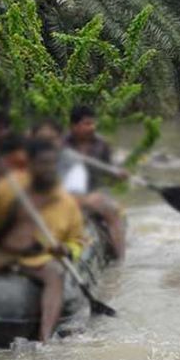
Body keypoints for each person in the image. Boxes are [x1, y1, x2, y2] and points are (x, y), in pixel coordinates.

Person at [0, 139, 85, 342]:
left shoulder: (65, 202)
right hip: (2, 252)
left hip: (38, 258)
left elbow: (78, 240)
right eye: (42, 163)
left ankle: (45, 338)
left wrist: (67, 250)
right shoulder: (10, 185)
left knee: (55, 273)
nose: (48, 169)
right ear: (30, 164)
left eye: (52, 163)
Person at [65, 106, 127, 259]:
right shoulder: (61, 144)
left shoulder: (102, 144)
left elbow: (110, 172)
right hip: (65, 195)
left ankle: (120, 260)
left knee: (112, 211)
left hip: (93, 194)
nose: (92, 127)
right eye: (87, 124)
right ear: (74, 126)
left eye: (93, 123)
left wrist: (118, 174)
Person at [32, 118, 89, 195]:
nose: (46, 143)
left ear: (60, 140)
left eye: (51, 139)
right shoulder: (22, 158)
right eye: (41, 139)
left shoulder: (72, 161)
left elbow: (75, 195)